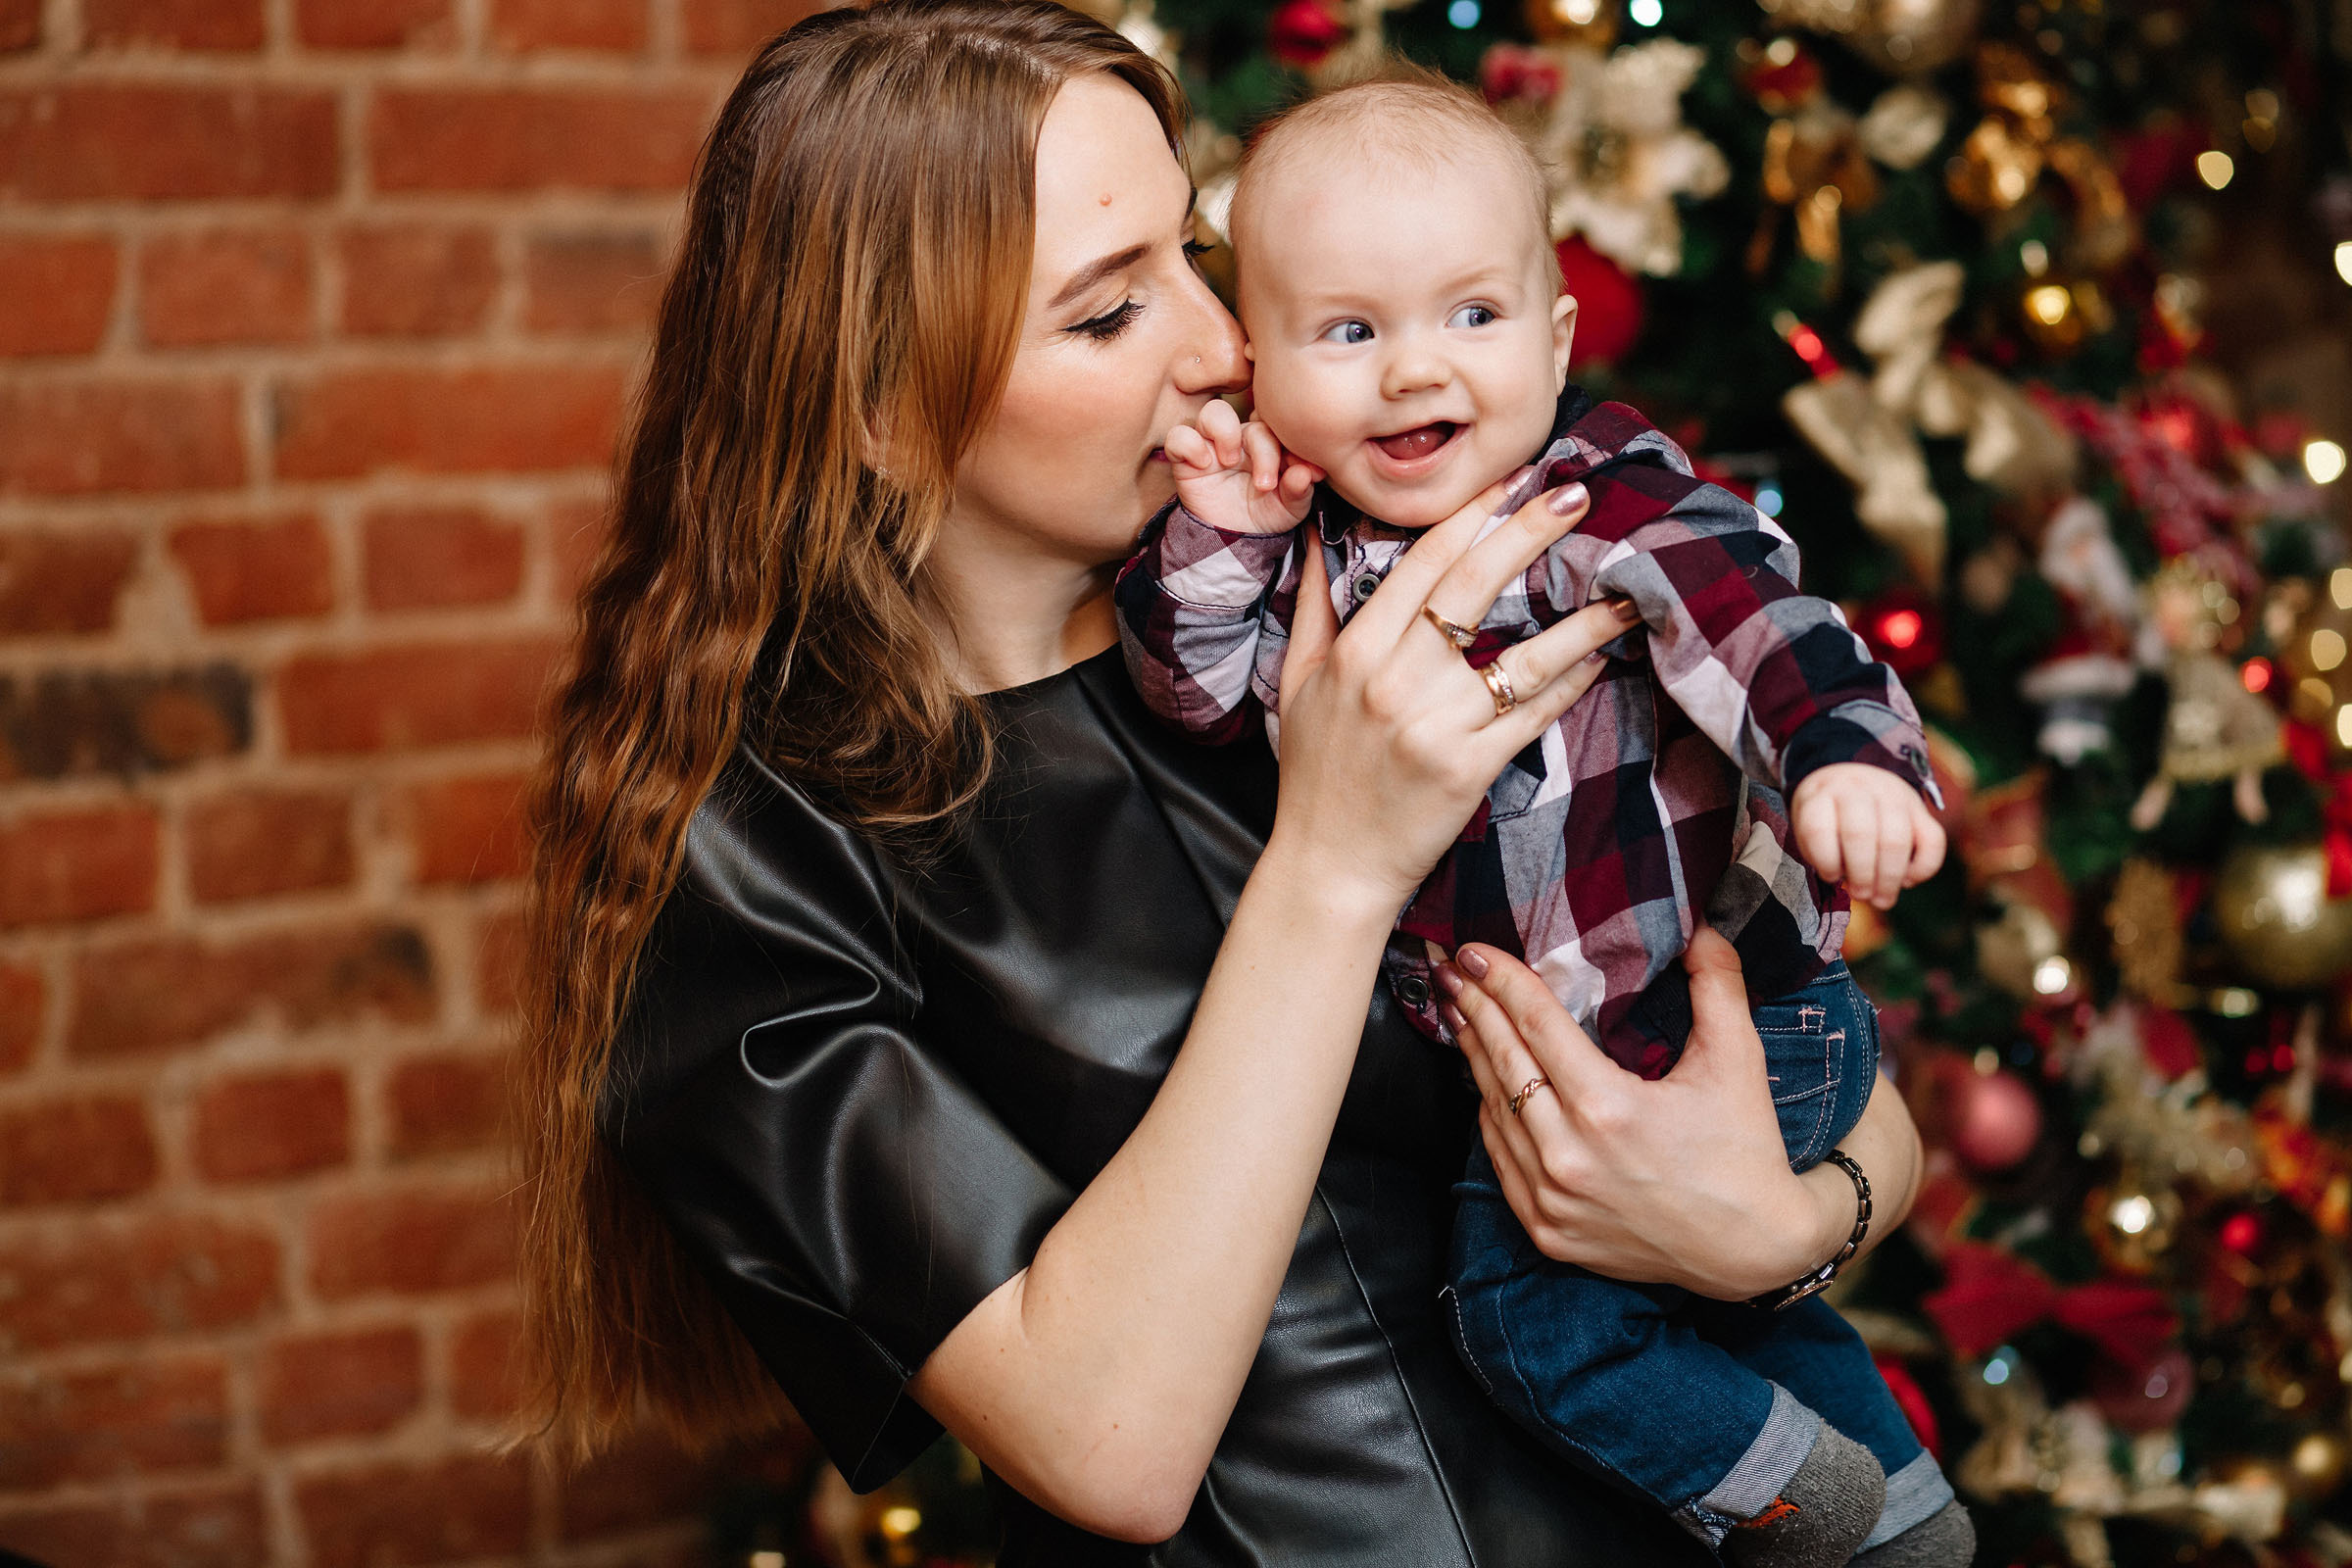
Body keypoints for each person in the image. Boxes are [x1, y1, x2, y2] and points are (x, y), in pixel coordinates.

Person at [511, 4, 1934, 1562]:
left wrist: (1784, 1231)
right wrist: (1331, 865)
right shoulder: (748, 870)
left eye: (1192, 253)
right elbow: (1108, 1445)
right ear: (882, 402)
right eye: (1108, 314)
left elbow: (1801, 1032)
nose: (1220, 346)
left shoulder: (1340, 594)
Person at [1114, 77, 1967, 1567]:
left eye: (1471, 318)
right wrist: (1222, 541)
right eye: (1350, 330)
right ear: (1257, 367)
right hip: (1586, 1039)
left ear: (1558, 339)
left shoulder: (1588, 511)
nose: (1411, 374)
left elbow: (1757, 616)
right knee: (1689, 1307)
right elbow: (1195, 695)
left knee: (1531, 1319)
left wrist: (1847, 757)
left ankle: (1795, 1511)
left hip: (1728, 1018)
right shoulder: (1307, 549)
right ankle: (1900, 1518)